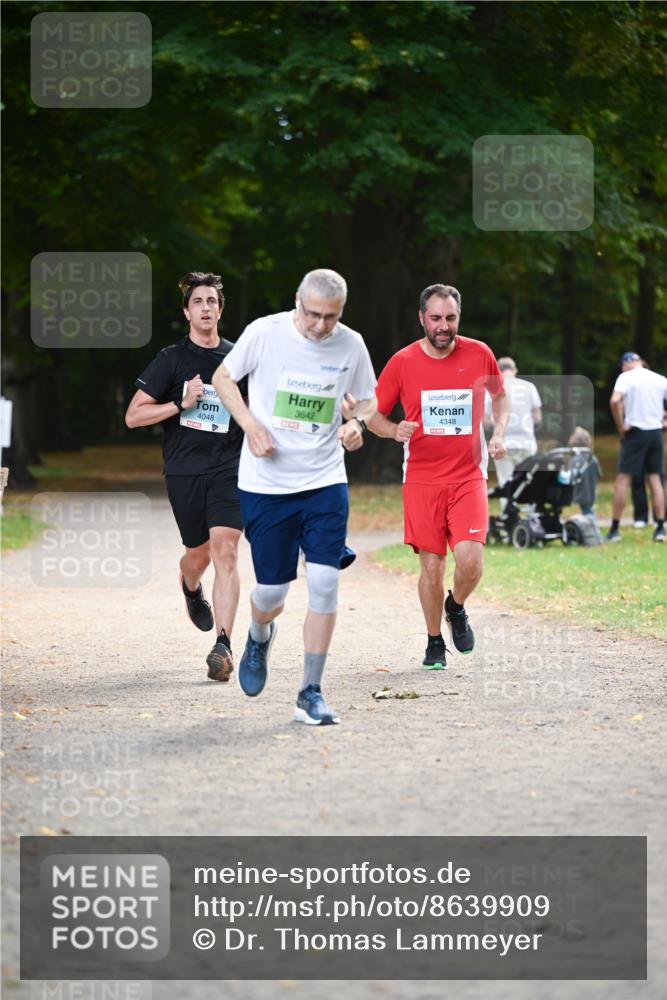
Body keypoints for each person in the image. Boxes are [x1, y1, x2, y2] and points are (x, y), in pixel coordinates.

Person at [212, 268, 377, 726]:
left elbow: (368, 399)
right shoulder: (265, 333)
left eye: (331, 317)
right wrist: (250, 425)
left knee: (325, 584)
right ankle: (259, 634)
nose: (321, 326)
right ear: (297, 302)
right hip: (267, 484)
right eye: (313, 315)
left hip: (325, 481)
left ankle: (310, 691)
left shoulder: (351, 344)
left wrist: (355, 424)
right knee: (271, 592)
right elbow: (223, 378)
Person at [367, 283, 508, 671]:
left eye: (450, 318)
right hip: (422, 479)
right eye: (436, 318)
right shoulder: (402, 361)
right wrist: (392, 430)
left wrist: (499, 432)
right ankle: (433, 642)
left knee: (471, 560)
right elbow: (373, 416)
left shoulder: (480, 353)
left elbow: (501, 397)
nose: (443, 326)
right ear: (421, 318)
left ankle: (456, 607)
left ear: (458, 318)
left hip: (468, 477)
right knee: (431, 566)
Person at [125, 272, 245, 680]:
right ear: (187, 311)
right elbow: (133, 415)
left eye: (212, 301)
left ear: (220, 309)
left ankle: (224, 647)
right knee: (200, 555)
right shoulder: (171, 359)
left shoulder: (237, 359)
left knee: (226, 550)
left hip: (230, 469)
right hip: (184, 471)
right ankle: (190, 584)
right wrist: (179, 402)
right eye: (198, 301)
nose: (206, 307)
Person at [606, 351, 666, 543]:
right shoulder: (659, 379)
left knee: (623, 479)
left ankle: (614, 529)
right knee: (655, 480)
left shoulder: (625, 378)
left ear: (626, 364)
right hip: (656, 433)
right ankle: (660, 528)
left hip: (635, 432)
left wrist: (620, 426)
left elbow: (615, 400)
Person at [488, 357, 541, 493]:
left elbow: (485, 420)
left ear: (498, 371)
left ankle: (508, 512)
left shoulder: (492, 388)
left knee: (506, 482)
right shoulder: (529, 387)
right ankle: (529, 512)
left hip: (503, 443)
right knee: (527, 482)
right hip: (526, 443)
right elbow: (537, 417)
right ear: (514, 370)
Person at [568, 426, 602, 517]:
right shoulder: (593, 458)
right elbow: (599, 474)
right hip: (592, 491)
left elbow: (570, 476)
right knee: (587, 509)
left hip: (581, 491)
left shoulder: (575, 460)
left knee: (587, 510)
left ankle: (592, 527)